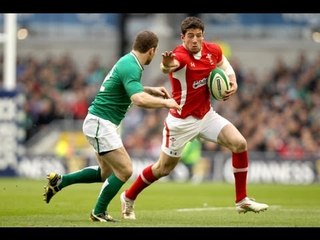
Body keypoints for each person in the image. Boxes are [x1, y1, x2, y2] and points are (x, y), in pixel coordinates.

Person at [120, 16, 269, 220]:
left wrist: (232, 81)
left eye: (198, 36)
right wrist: (165, 64)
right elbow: (169, 66)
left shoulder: (213, 50)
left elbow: (224, 63)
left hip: (206, 116)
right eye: (190, 36)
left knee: (240, 143)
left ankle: (242, 200)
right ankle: (128, 197)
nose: (195, 40)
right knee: (163, 169)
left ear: (203, 36)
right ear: (183, 37)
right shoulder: (179, 56)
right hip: (181, 122)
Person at [42, 30, 181, 222]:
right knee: (125, 170)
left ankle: (60, 181)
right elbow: (138, 99)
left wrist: (151, 90)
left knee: (104, 173)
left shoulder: (129, 62)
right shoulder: (132, 66)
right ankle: (98, 212)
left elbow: (129, 88)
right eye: (155, 52)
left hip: (100, 122)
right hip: (101, 122)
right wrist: (166, 103)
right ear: (152, 50)